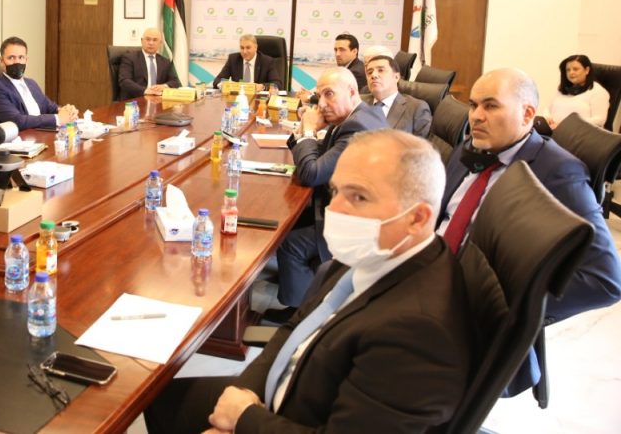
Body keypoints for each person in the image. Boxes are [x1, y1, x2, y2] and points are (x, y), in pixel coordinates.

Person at [144, 130, 472, 434]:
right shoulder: (377, 249)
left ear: (417, 218)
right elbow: (296, 327)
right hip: (285, 389)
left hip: (292, 418)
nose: (335, 208)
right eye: (336, 191)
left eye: (358, 197)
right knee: (160, 397)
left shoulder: (419, 332)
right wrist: (244, 394)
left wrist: (244, 421)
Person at [440, 68, 621, 391]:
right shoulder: (474, 146)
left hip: (468, 309)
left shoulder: (558, 172)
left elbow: (605, 280)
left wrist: (504, 306)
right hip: (431, 270)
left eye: (491, 106)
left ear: (527, 114)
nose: (476, 116)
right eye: (473, 105)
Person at [276, 68, 388, 309]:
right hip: (345, 206)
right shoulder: (355, 117)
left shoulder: (358, 126)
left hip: (356, 225)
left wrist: (308, 131)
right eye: (319, 96)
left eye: (329, 94)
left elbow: (312, 173)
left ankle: (299, 314)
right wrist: (305, 133)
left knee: (289, 243)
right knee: (283, 215)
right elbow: (321, 158)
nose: (322, 104)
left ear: (352, 92)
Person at [0, 36, 78, 130]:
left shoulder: (31, 83)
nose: (17, 62)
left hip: (40, 133)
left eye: (21, 57)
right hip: (21, 137)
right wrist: (57, 118)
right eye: (11, 58)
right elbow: (18, 121)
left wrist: (67, 111)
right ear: (1, 61)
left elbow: (49, 107)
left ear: (26, 60)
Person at [362, 55, 432, 138]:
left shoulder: (416, 108)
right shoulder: (358, 102)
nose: (373, 75)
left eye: (381, 70)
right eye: (369, 72)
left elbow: (422, 145)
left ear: (396, 77)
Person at [297, 32, 368, 104]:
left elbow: (338, 100)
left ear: (354, 51)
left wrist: (309, 98)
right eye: (336, 50)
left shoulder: (355, 72)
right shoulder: (350, 68)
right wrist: (312, 95)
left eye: (342, 50)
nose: (337, 54)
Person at [547, 54, 609, 129]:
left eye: (575, 69)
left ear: (587, 70)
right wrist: (547, 118)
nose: (571, 73)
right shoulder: (563, 89)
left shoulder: (598, 91)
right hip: (553, 130)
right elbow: (547, 109)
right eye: (568, 70)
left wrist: (566, 125)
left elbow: (599, 120)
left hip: (580, 134)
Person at [117, 28, 182, 98]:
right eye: (148, 39)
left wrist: (164, 86)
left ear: (160, 43)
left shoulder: (165, 61)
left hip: (157, 99)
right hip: (136, 99)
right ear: (142, 41)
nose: (151, 43)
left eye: (155, 40)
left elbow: (175, 81)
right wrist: (145, 90)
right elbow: (124, 81)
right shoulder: (130, 58)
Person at [212, 34, 284, 89]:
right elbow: (217, 80)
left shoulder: (267, 61)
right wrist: (229, 85)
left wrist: (262, 86)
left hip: (258, 98)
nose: (244, 51)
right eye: (242, 48)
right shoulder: (233, 59)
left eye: (248, 48)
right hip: (238, 98)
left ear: (256, 47)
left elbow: (277, 84)